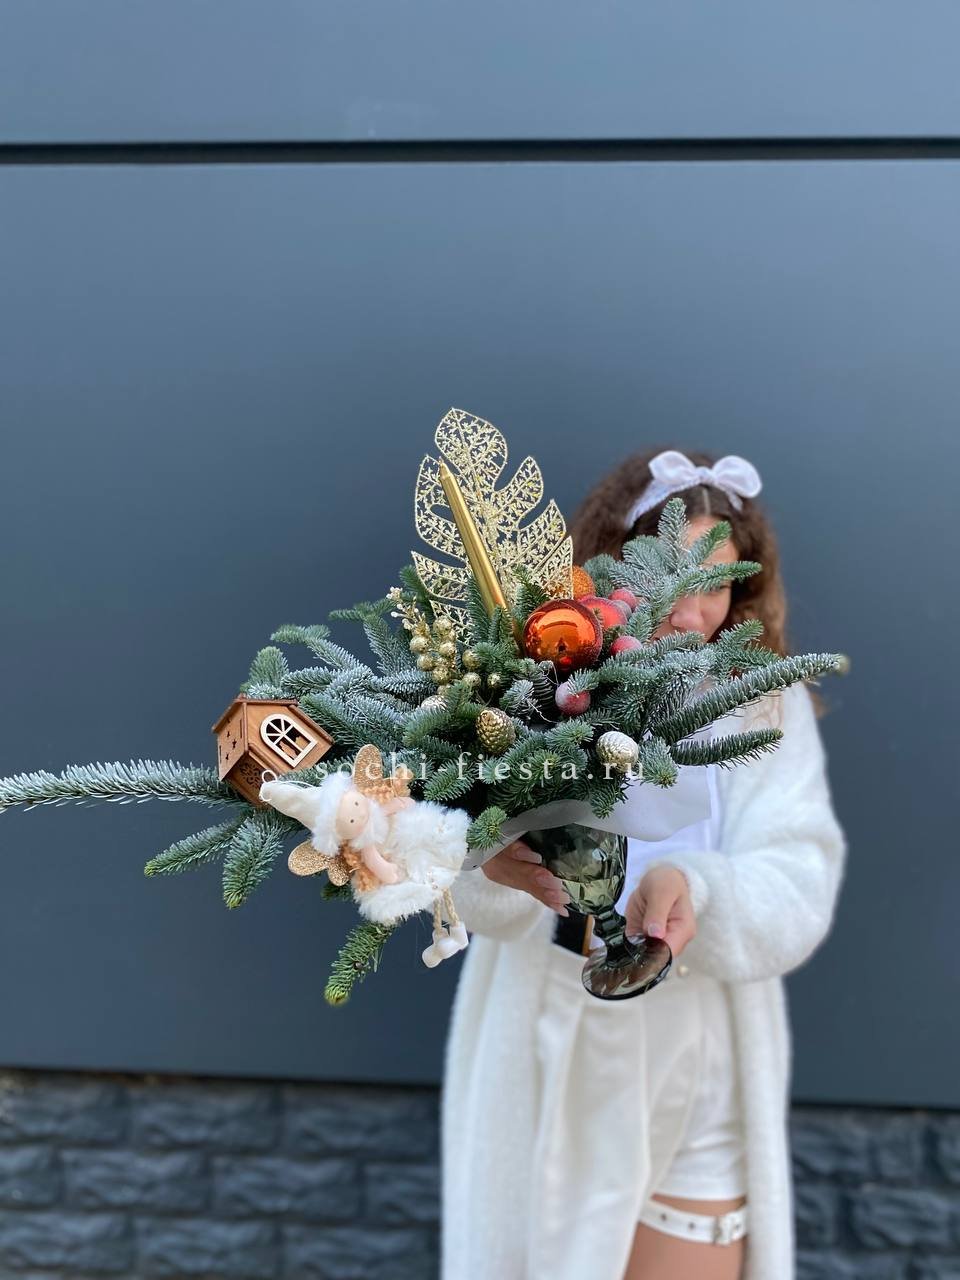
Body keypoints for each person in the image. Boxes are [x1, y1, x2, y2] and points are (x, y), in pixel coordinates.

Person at [440, 447, 848, 1280]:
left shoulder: (762, 703)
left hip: (701, 1042)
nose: (692, 610)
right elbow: (456, 846)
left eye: (717, 581)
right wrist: (491, 867)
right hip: (554, 1034)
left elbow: (800, 876)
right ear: (614, 561)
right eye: (671, 573)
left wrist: (697, 888)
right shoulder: (540, 682)